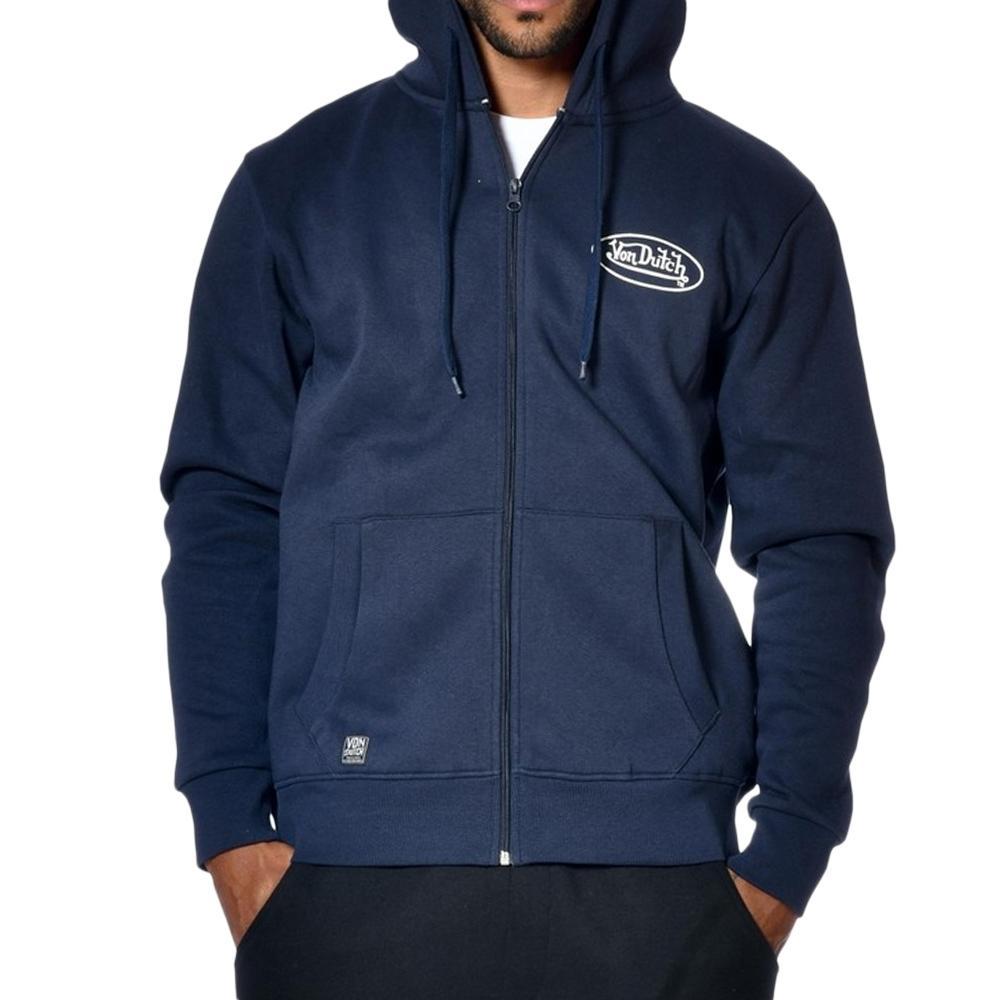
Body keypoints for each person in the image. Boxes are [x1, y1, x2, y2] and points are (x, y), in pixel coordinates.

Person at [158, 1, 895, 997]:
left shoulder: (747, 201)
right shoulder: (299, 188)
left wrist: (785, 856)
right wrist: (231, 829)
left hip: (660, 883)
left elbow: (820, 536)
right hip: (344, 870)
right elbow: (225, 513)